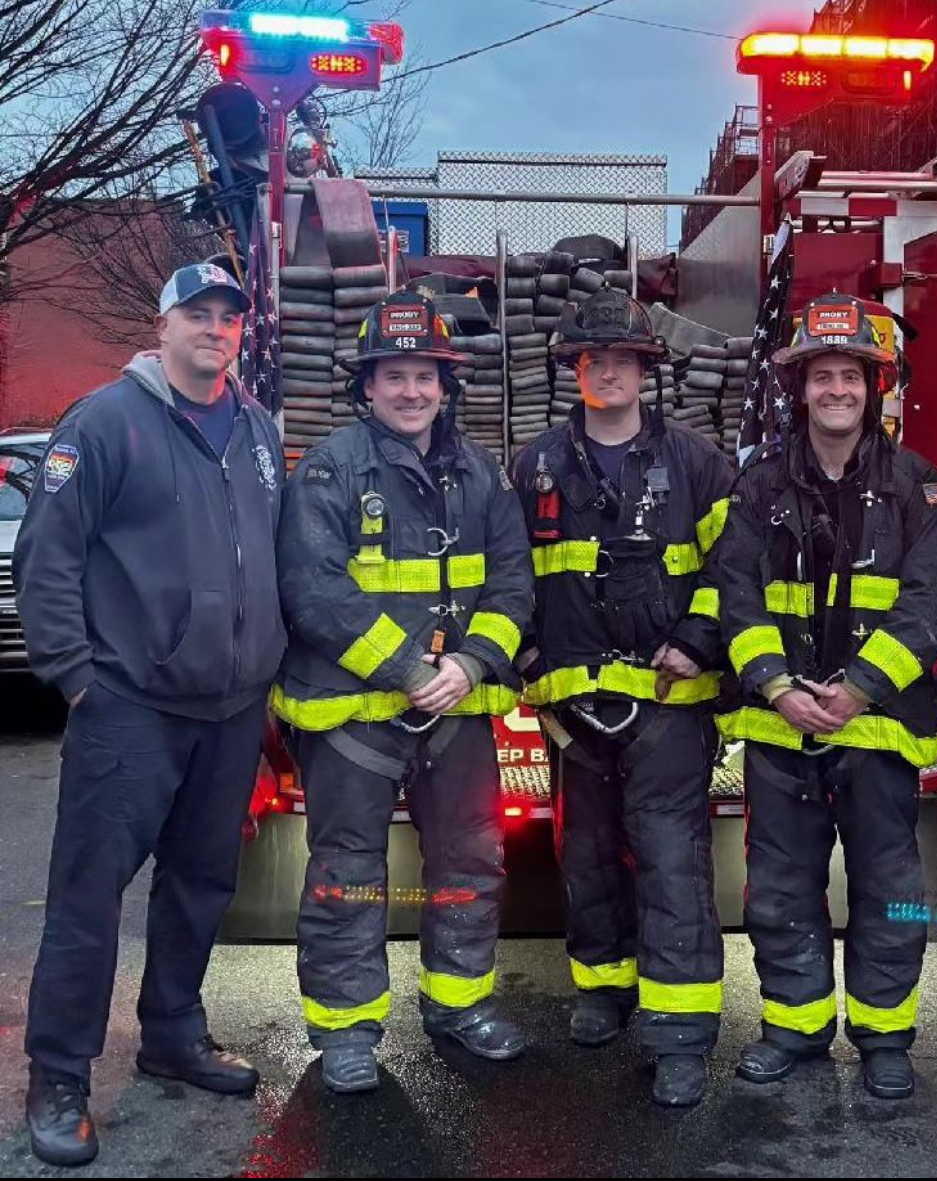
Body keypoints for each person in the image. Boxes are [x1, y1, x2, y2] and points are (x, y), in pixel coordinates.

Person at [15, 263, 286, 1166]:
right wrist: (76, 677)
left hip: (231, 707)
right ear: (161, 324)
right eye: (196, 314)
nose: (214, 329)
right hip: (128, 705)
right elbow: (47, 559)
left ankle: (173, 1031)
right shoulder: (103, 423)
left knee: (201, 881)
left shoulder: (255, 427)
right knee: (89, 894)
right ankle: (59, 1075)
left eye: (227, 317)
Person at [272, 291, 532, 1093]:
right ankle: (347, 1030)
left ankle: (459, 1004)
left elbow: (513, 581)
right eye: (394, 376)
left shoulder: (481, 472)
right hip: (355, 713)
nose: (412, 391)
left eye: (425, 375)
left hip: (455, 708)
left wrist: (473, 664)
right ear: (366, 387)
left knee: (470, 859)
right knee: (348, 870)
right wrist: (411, 671)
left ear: (445, 386)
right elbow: (314, 591)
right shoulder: (328, 470)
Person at [711, 292, 937, 1100]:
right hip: (780, 727)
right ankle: (794, 1024)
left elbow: (932, 604)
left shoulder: (918, 489)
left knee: (889, 891)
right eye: (821, 376)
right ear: (800, 387)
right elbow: (734, 593)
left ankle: (884, 1037)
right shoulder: (757, 487)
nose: (836, 390)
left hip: (877, 730)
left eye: (850, 375)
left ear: (872, 386)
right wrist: (777, 686)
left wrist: (856, 690)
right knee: (780, 885)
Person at [512, 287, 732, 1107]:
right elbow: (508, 574)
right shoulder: (534, 464)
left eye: (623, 360)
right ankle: (603, 989)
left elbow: (732, 570)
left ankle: (679, 1033)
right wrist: (527, 655)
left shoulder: (698, 464)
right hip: (573, 704)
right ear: (574, 368)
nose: (608, 372)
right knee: (588, 852)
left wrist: (697, 640)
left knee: (672, 861)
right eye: (593, 358)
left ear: (646, 370)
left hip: (670, 702)